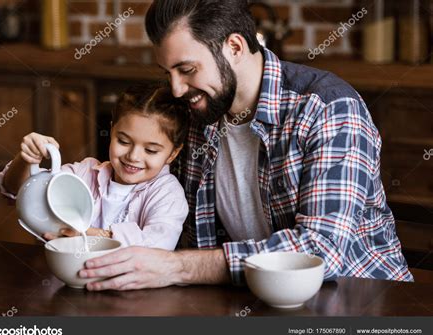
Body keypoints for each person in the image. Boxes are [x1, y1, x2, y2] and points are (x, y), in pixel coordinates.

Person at [78, 0, 413, 291]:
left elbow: (321, 251)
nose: (177, 89)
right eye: (169, 73)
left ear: (235, 47)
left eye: (187, 70)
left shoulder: (327, 110)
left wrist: (177, 266)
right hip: (247, 298)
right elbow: (137, 194)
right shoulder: (197, 113)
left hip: (360, 300)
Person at [0, 85, 189, 251]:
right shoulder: (85, 172)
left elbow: (155, 248)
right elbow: (18, 189)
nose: (133, 156)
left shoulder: (168, 194)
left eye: (150, 150)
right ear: (112, 130)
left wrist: (88, 235)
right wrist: (26, 159)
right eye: (123, 141)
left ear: (173, 153)